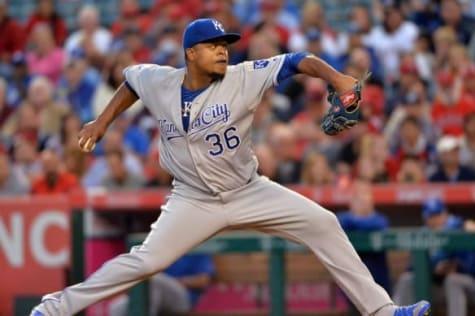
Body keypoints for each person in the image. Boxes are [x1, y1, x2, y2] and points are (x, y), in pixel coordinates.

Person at [31, 18, 430, 316]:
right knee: (147, 261)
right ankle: (55, 308)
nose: (223, 50)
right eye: (212, 45)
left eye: (225, 44)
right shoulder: (161, 81)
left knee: (324, 222)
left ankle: (383, 311)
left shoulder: (243, 77)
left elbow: (296, 61)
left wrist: (336, 77)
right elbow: (132, 81)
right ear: (191, 53)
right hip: (193, 198)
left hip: (248, 189)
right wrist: (102, 122)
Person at [393, 197, 475, 316]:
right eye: (431, 217)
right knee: (407, 279)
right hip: (438, 287)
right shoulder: (422, 235)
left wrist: (456, 267)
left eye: (437, 215)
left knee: (453, 280)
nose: (434, 220)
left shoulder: (460, 228)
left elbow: (471, 267)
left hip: (468, 286)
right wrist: (433, 270)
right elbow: (412, 267)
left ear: (445, 213)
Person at [108, 254, 214, 316]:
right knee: (117, 306)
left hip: (184, 298)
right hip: (157, 294)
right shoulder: (165, 248)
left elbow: (203, 281)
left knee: (155, 280)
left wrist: (175, 282)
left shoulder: (197, 247)